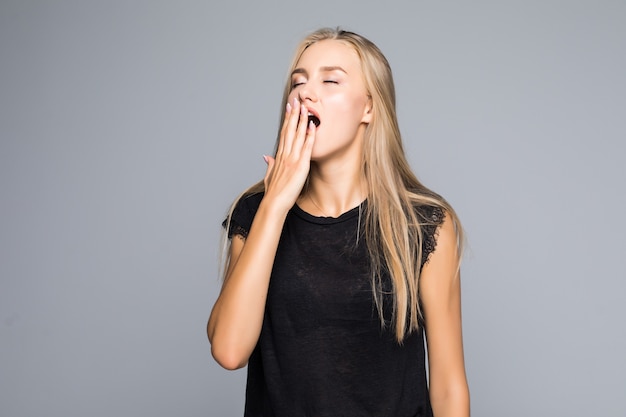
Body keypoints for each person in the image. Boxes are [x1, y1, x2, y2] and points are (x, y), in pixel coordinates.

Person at [207, 27, 469, 417]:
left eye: (330, 80)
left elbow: (448, 388)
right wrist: (276, 204)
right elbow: (229, 350)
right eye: (298, 82)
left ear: (369, 108)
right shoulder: (256, 211)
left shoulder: (423, 224)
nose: (305, 92)